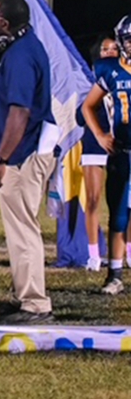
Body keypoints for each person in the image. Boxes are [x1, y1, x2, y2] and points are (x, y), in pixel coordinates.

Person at [0, 0, 58, 324]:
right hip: (21, 152)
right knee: (18, 229)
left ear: (5, 22)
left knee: (24, 230)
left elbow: (20, 112)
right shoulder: (18, 49)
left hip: (21, 155)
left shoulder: (21, 55)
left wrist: (0, 158)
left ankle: (35, 303)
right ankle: (25, 293)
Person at [82, 18, 131, 295]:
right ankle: (114, 275)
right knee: (119, 216)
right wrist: (100, 135)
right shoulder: (110, 69)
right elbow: (88, 106)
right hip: (122, 151)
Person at [78, 35, 118, 271]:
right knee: (93, 199)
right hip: (95, 142)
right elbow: (80, 115)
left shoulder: (124, 74)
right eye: (105, 49)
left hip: (120, 143)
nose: (110, 52)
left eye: (114, 48)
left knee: (124, 201)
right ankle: (93, 255)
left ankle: (127, 252)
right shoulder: (92, 79)